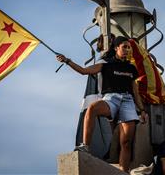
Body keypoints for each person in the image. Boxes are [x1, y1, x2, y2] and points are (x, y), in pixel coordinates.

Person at [56, 36, 147, 172]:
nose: (127, 50)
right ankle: (85, 146)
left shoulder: (131, 69)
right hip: (111, 99)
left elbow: (135, 91)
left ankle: (123, 171)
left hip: (128, 101)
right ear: (116, 48)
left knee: (126, 142)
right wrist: (67, 61)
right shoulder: (106, 64)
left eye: (129, 48)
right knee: (92, 108)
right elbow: (83, 71)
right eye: (124, 47)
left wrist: (142, 110)